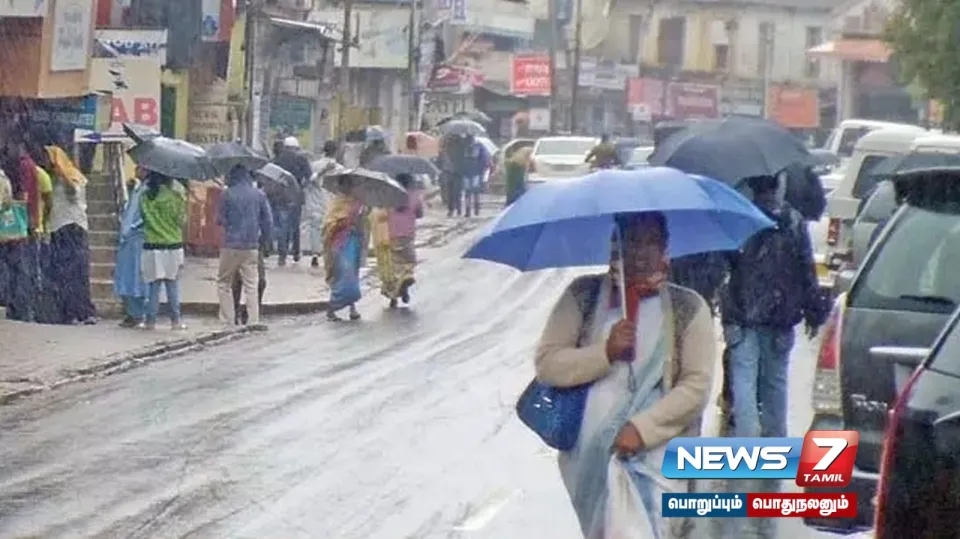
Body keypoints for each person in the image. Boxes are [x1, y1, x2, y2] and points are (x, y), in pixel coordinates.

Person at [534, 212, 715, 539]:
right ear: (615, 245)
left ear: (664, 247)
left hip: (658, 454)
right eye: (632, 241)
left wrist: (641, 429)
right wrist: (605, 352)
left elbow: (696, 386)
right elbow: (548, 364)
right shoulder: (584, 296)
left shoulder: (688, 307)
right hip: (589, 459)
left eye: (651, 242)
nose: (641, 253)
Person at [45, 144, 97, 325]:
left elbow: (74, 193)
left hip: (70, 227)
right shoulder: (54, 179)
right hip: (60, 226)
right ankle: (73, 310)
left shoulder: (72, 176)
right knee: (67, 272)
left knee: (72, 272)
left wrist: (63, 175)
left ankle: (77, 312)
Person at [217, 164, 273, 327]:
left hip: (230, 245)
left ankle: (228, 320)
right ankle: (253, 320)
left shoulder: (226, 194)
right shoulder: (259, 195)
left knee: (224, 283)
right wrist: (265, 241)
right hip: (251, 245)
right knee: (251, 284)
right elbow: (268, 221)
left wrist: (230, 223)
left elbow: (219, 219)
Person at [140, 171, 188, 330]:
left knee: (153, 286)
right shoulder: (175, 197)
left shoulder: (145, 197)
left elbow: (143, 218)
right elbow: (181, 220)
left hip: (151, 246)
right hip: (173, 245)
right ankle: (176, 320)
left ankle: (150, 321)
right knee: (172, 284)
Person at [372, 173, 424, 308]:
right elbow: (420, 214)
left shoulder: (389, 196)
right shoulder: (414, 196)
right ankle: (405, 280)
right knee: (409, 261)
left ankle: (393, 295)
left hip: (390, 235)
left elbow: (379, 215)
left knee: (393, 266)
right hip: (408, 235)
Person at [322, 179, 367, 321]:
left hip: (353, 241)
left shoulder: (358, 203)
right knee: (342, 274)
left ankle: (352, 308)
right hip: (338, 243)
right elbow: (328, 224)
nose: (347, 187)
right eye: (344, 184)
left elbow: (362, 224)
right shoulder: (335, 203)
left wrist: (359, 222)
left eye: (350, 184)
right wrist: (344, 222)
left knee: (353, 274)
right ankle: (332, 307)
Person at [114, 169, 148, 327]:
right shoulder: (138, 188)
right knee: (127, 275)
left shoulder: (148, 191)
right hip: (129, 238)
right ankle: (132, 311)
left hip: (138, 237)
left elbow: (143, 215)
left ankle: (138, 313)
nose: (136, 170)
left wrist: (133, 228)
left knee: (137, 276)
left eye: (140, 167)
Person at [272, 136, 312, 265]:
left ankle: (282, 255)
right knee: (295, 226)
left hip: (280, 196)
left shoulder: (277, 160)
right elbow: (309, 177)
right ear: (296, 148)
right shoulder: (301, 159)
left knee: (282, 225)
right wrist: (302, 187)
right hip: (296, 195)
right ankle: (296, 252)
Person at [306, 141, 341, 268]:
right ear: (336, 151)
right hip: (331, 204)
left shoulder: (313, 166)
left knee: (315, 229)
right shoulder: (340, 169)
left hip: (315, 204)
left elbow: (308, 182)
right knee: (331, 230)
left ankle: (315, 254)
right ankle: (329, 255)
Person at [463, 136, 489, 217]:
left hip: (468, 173)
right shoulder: (480, 147)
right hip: (475, 173)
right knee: (474, 192)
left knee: (469, 192)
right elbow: (485, 160)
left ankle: (469, 210)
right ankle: (475, 208)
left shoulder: (464, 148)